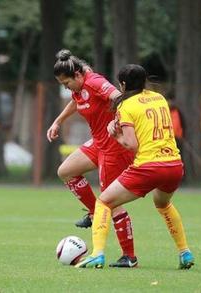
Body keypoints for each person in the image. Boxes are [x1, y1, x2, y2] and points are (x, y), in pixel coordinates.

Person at [75, 64, 194, 269]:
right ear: (145, 80)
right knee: (163, 204)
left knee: (104, 202)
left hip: (148, 167)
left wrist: (116, 135)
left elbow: (132, 145)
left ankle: (97, 254)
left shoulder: (126, 107)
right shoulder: (159, 98)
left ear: (122, 84)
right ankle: (185, 253)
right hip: (174, 165)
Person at [47, 49, 137, 268]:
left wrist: (121, 125)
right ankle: (93, 211)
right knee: (65, 171)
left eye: (66, 84)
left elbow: (119, 97)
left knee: (112, 202)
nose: (66, 88)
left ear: (77, 75)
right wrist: (58, 121)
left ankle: (130, 257)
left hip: (114, 148)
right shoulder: (79, 87)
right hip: (98, 144)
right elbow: (76, 102)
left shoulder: (95, 82)